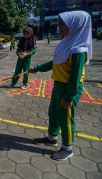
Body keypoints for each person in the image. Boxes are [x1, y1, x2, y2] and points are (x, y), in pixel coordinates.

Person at [30, 11, 92, 160]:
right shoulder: (66, 43)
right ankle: (52, 137)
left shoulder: (78, 50)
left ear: (75, 26)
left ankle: (67, 147)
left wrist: (69, 96)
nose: (59, 27)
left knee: (66, 118)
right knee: (54, 113)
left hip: (69, 88)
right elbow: (55, 63)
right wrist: (38, 68)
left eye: (62, 24)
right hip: (58, 84)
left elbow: (76, 77)